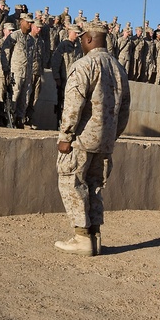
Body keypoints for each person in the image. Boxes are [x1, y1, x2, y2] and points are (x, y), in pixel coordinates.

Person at [54, 21, 130, 256]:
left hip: (82, 139)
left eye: (81, 39)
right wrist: (112, 134)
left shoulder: (84, 65)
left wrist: (65, 135)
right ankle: (95, 237)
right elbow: (125, 109)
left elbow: (73, 105)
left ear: (88, 39)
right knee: (95, 186)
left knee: (72, 182)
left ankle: (82, 238)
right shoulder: (118, 68)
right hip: (105, 141)